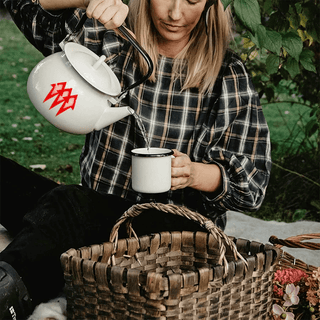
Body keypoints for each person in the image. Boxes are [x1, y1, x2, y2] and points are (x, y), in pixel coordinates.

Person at [0, 0, 271, 318]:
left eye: (192, 0)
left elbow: (253, 185)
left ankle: (9, 297)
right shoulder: (110, 38)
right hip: (93, 213)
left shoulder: (227, 75)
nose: (174, 13)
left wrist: (195, 173)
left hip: (171, 238)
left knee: (66, 204)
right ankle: (53, 244)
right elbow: (22, 6)